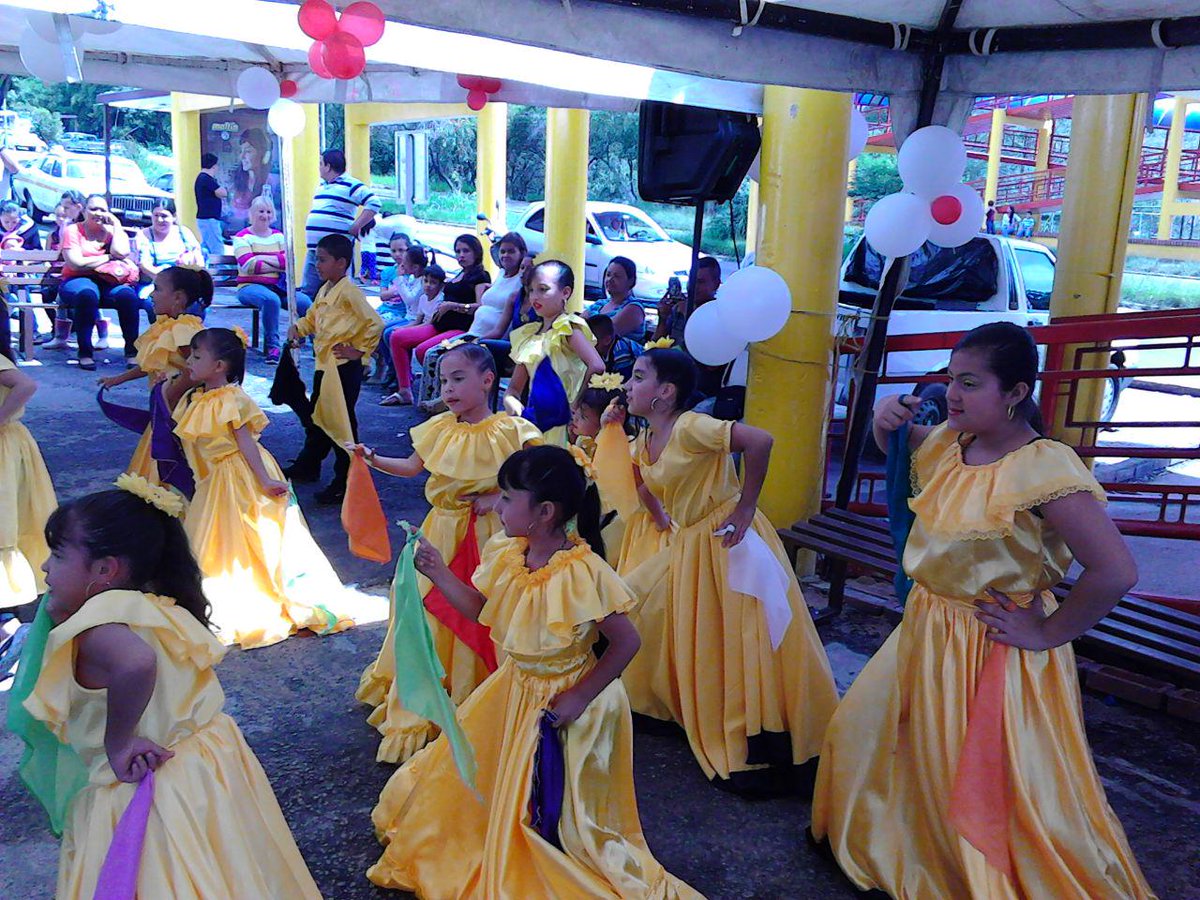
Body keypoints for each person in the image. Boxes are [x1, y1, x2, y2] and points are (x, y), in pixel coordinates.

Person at [811, 322, 1154, 898]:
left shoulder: (1044, 467)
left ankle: (960, 869)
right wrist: (885, 420)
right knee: (869, 736)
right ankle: (907, 847)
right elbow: (897, 451)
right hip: (926, 630)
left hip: (989, 647)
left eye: (970, 383)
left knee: (981, 779)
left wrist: (1047, 632)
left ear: (1016, 392)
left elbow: (1115, 571)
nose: (952, 394)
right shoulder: (953, 441)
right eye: (951, 379)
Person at [367, 445, 701, 900]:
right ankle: (499, 833)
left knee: (553, 804)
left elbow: (627, 642)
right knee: (488, 778)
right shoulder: (509, 554)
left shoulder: (583, 571)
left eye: (507, 498)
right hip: (514, 687)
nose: (497, 506)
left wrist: (579, 696)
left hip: (569, 702)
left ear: (544, 512)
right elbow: (482, 610)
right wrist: (439, 572)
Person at [15, 480, 321, 897]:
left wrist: (119, 743)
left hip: (151, 785)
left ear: (105, 570)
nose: (45, 567)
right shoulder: (156, 605)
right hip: (206, 765)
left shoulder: (98, 627)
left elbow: (136, 662)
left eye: (58, 554)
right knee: (228, 867)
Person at [609, 347, 839, 793]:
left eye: (637, 377)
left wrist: (747, 507)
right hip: (692, 541)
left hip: (726, 536)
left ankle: (763, 735)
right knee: (701, 632)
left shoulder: (691, 426)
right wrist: (661, 517)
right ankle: (694, 708)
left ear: (665, 391)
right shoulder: (646, 436)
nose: (627, 385)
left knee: (743, 635)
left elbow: (760, 440)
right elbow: (642, 481)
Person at [352, 342, 542, 763]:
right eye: (442, 380)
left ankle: (478, 690)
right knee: (428, 608)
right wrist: (373, 458)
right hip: (441, 529)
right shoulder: (439, 428)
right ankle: (434, 690)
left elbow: (537, 477)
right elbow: (411, 467)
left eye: (458, 379)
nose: (448, 388)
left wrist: (497, 497)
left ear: (487, 380)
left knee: (484, 605)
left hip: (493, 535)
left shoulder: (512, 431)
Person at [174, 327, 360, 649]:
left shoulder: (231, 398)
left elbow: (245, 442)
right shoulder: (200, 398)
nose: (189, 361)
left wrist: (264, 479)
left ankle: (256, 591)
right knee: (223, 535)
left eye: (197, 356)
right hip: (218, 478)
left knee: (250, 533)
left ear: (219, 366)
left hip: (241, 475)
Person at [283, 233, 383, 504]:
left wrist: (359, 351)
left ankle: (346, 480)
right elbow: (313, 318)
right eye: (317, 259)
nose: (317, 265)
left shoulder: (349, 291)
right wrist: (298, 329)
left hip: (343, 367)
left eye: (323, 260)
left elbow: (375, 323)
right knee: (319, 417)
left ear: (341, 262)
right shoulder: (326, 289)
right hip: (326, 365)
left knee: (340, 423)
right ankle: (309, 464)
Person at [98, 266, 208, 487]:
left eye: (157, 289)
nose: (151, 294)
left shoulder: (183, 330)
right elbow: (152, 364)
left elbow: (196, 371)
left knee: (175, 455)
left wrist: (171, 392)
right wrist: (119, 379)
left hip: (179, 409)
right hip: (165, 403)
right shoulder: (165, 327)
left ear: (178, 298)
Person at [412, 232, 527, 413]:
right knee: (433, 354)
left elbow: (500, 328)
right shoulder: (501, 275)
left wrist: (474, 341)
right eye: (503, 251)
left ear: (521, 253)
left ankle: (446, 404)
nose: (505, 255)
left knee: (440, 356)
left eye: (511, 251)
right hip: (473, 332)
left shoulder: (521, 281)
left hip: (488, 339)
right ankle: (434, 404)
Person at [379, 234, 491, 407]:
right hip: (437, 324)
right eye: (458, 251)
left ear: (476, 252)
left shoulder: (480, 276)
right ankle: (404, 390)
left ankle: (443, 394)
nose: (461, 255)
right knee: (396, 336)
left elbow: (481, 307)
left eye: (466, 251)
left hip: (460, 327)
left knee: (424, 351)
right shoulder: (460, 273)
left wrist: (454, 306)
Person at [503, 260, 605, 446]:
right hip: (534, 422)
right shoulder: (529, 336)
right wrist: (515, 407)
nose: (535, 296)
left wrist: (576, 403)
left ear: (565, 292)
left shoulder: (567, 328)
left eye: (543, 289)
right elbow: (513, 389)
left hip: (565, 423)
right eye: (531, 290)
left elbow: (597, 365)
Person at [0, 352, 56, 611]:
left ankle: (6, 607)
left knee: (5, 519)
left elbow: (26, 384)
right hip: (8, 443)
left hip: (4, 447)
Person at [59, 194, 140, 372]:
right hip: (76, 279)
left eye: (102, 210)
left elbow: (121, 252)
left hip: (107, 280)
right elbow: (76, 264)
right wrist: (108, 257)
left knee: (128, 296)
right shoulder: (73, 230)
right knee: (87, 295)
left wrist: (116, 225)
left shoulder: (112, 232)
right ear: (84, 210)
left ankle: (132, 352)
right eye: (93, 209)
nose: (98, 213)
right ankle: (85, 353)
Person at [232, 195, 310, 363]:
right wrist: (276, 263)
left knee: (305, 302)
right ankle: (272, 346)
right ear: (252, 213)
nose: (265, 215)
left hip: (279, 286)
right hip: (249, 286)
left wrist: (261, 258)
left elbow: (288, 263)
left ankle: (315, 343)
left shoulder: (279, 236)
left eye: (268, 212)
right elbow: (249, 266)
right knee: (271, 300)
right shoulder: (242, 237)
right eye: (261, 211)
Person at [299, 149, 381, 300]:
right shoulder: (322, 186)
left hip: (335, 252)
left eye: (321, 163)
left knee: (337, 293)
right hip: (314, 250)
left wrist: (357, 226)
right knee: (308, 293)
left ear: (328, 166)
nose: (319, 167)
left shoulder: (351, 185)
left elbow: (374, 202)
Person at [653, 256, 724, 397]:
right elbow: (655, 345)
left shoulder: (720, 315)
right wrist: (663, 317)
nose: (693, 287)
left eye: (700, 282)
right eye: (691, 281)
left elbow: (712, 365)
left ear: (716, 284)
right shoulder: (678, 309)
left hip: (698, 386)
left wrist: (691, 319)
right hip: (669, 377)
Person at [131, 200, 204, 323]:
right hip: (154, 283)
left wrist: (190, 260)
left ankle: (190, 332)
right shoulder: (144, 235)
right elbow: (144, 265)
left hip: (183, 283)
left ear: (174, 216)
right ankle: (161, 332)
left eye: (164, 216)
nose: (160, 220)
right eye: (156, 215)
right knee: (154, 303)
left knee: (194, 304)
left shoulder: (184, 233)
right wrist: (167, 282)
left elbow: (199, 260)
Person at [370, 235, 422, 387]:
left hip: (403, 313)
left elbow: (409, 300)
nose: (397, 254)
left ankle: (393, 370)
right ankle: (370, 365)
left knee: (384, 330)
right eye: (393, 251)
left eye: (401, 250)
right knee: (359, 324)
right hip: (387, 309)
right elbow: (383, 296)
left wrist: (396, 286)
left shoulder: (413, 272)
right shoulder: (388, 272)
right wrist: (396, 290)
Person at [584, 256, 646, 341]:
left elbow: (603, 335)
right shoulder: (600, 304)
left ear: (630, 281)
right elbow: (576, 324)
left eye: (617, 276)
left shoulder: (634, 309)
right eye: (608, 275)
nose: (610, 279)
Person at [231, 129, 275, 230]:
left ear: (264, 154)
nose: (242, 156)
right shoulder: (237, 182)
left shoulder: (273, 182)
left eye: (248, 151)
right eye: (241, 151)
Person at [586, 313, 641, 382]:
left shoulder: (620, 352)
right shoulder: (603, 349)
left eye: (591, 341)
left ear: (606, 340)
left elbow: (624, 380)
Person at [194, 152, 227, 261]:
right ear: (214, 166)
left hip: (205, 218)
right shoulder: (206, 179)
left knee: (206, 247)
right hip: (209, 219)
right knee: (217, 247)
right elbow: (222, 193)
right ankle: (220, 268)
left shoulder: (201, 178)